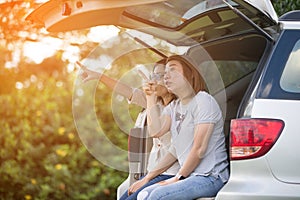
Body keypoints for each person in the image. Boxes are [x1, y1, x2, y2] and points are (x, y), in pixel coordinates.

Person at [128, 54, 229, 200]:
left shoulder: (203, 101)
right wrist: (150, 97)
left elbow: (199, 148)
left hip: (211, 176)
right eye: (165, 72)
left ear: (190, 74)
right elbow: (155, 131)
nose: (166, 76)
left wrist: (178, 177)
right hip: (190, 176)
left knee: (158, 196)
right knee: (143, 195)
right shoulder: (174, 107)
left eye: (172, 70)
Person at [76, 59, 180, 200]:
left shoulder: (180, 107)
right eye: (153, 76)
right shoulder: (153, 101)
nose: (155, 80)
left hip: (171, 172)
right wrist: (98, 76)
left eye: (160, 76)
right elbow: (126, 90)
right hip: (153, 171)